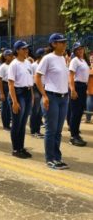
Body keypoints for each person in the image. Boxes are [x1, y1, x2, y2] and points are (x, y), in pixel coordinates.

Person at [35, 33, 69, 170]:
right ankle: (50, 158)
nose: (64, 44)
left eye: (64, 41)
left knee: (58, 130)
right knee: (51, 130)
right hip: (51, 97)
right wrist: (44, 95)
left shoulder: (63, 58)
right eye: (61, 42)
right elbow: (37, 77)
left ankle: (57, 157)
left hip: (63, 97)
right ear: (54, 44)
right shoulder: (47, 58)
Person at [8, 40, 33, 159]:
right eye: (23, 49)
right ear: (17, 50)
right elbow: (11, 84)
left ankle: (21, 147)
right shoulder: (14, 64)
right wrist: (14, 101)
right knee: (17, 123)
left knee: (23, 123)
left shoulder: (28, 62)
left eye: (27, 48)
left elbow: (30, 81)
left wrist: (32, 96)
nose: (26, 50)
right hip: (18, 93)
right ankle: (15, 148)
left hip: (27, 92)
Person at [68, 42, 90, 146]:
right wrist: (72, 89)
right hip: (76, 86)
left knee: (79, 112)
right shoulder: (74, 61)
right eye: (78, 49)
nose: (80, 50)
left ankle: (76, 133)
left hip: (82, 87)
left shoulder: (83, 61)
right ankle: (73, 136)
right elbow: (71, 76)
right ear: (75, 51)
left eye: (82, 48)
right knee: (75, 112)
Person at [30, 48, 45, 138]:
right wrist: (31, 93)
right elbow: (31, 80)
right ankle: (33, 131)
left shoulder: (44, 65)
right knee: (35, 110)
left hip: (43, 88)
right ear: (39, 57)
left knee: (40, 111)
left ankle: (37, 130)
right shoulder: (33, 66)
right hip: (35, 88)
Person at [0, 49, 13, 131]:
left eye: (12, 55)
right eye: (9, 55)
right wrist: (1, 93)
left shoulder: (13, 65)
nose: (11, 56)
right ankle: (5, 125)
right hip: (5, 85)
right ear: (5, 56)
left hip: (12, 85)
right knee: (5, 107)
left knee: (10, 106)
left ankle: (9, 123)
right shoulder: (3, 66)